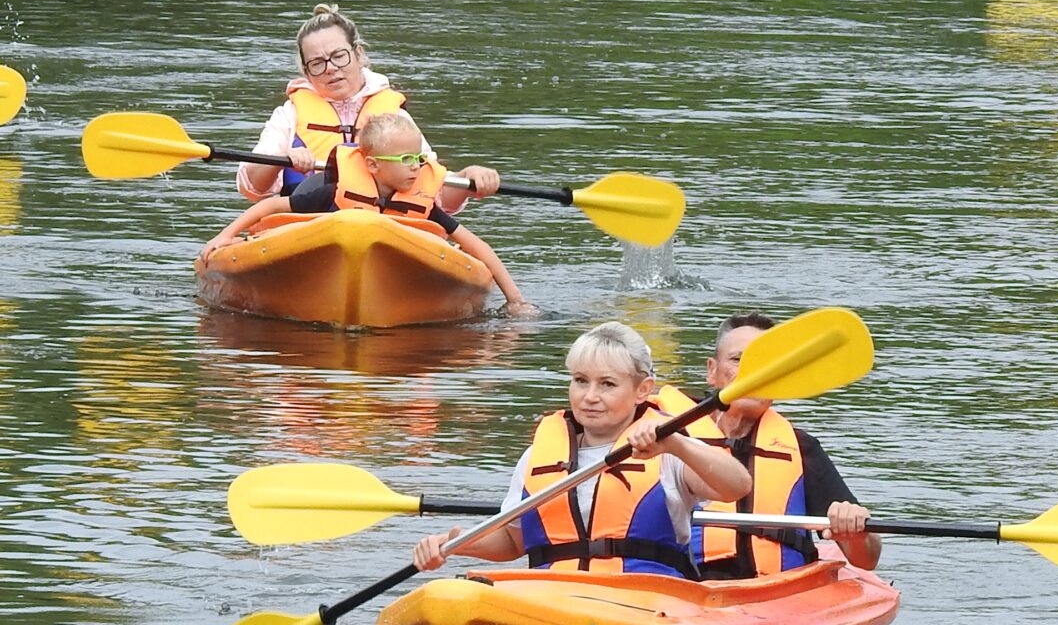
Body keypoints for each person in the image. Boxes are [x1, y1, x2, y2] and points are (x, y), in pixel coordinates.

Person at [411, 323, 750, 578]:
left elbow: (736, 485)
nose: (590, 396)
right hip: (558, 597)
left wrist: (676, 443)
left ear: (642, 390)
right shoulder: (537, 456)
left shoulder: (667, 450)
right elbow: (513, 542)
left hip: (647, 601)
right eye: (580, 380)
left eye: (607, 384)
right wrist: (452, 544)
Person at [198, 110, 535, 313]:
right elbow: (270, 205)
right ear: (371, 165)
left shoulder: (423, 202)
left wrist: (515, 299)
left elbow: (477, 247)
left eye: (420, 159)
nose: (417, 168)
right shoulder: (327, 191)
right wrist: (224, 236)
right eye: (406, 160)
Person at [234, 5, 497, 215]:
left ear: (358, 54)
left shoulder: (394, 116)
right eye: (317, 63)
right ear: (306, 71)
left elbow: (438, 196)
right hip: (308, 221)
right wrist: (285, 157)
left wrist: (467, 178)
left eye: (339, 56)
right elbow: (252, 187)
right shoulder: (289, 115)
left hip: (384, 226)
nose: (330, 68)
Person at [688, 313, 880, 576]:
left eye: (767, 364)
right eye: (737, 360)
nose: (754, 372)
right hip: (680, 591)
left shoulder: (801, 448)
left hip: (774, 593)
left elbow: (866, 560)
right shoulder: (665, 436)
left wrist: (854, 531)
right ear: (712, 370)